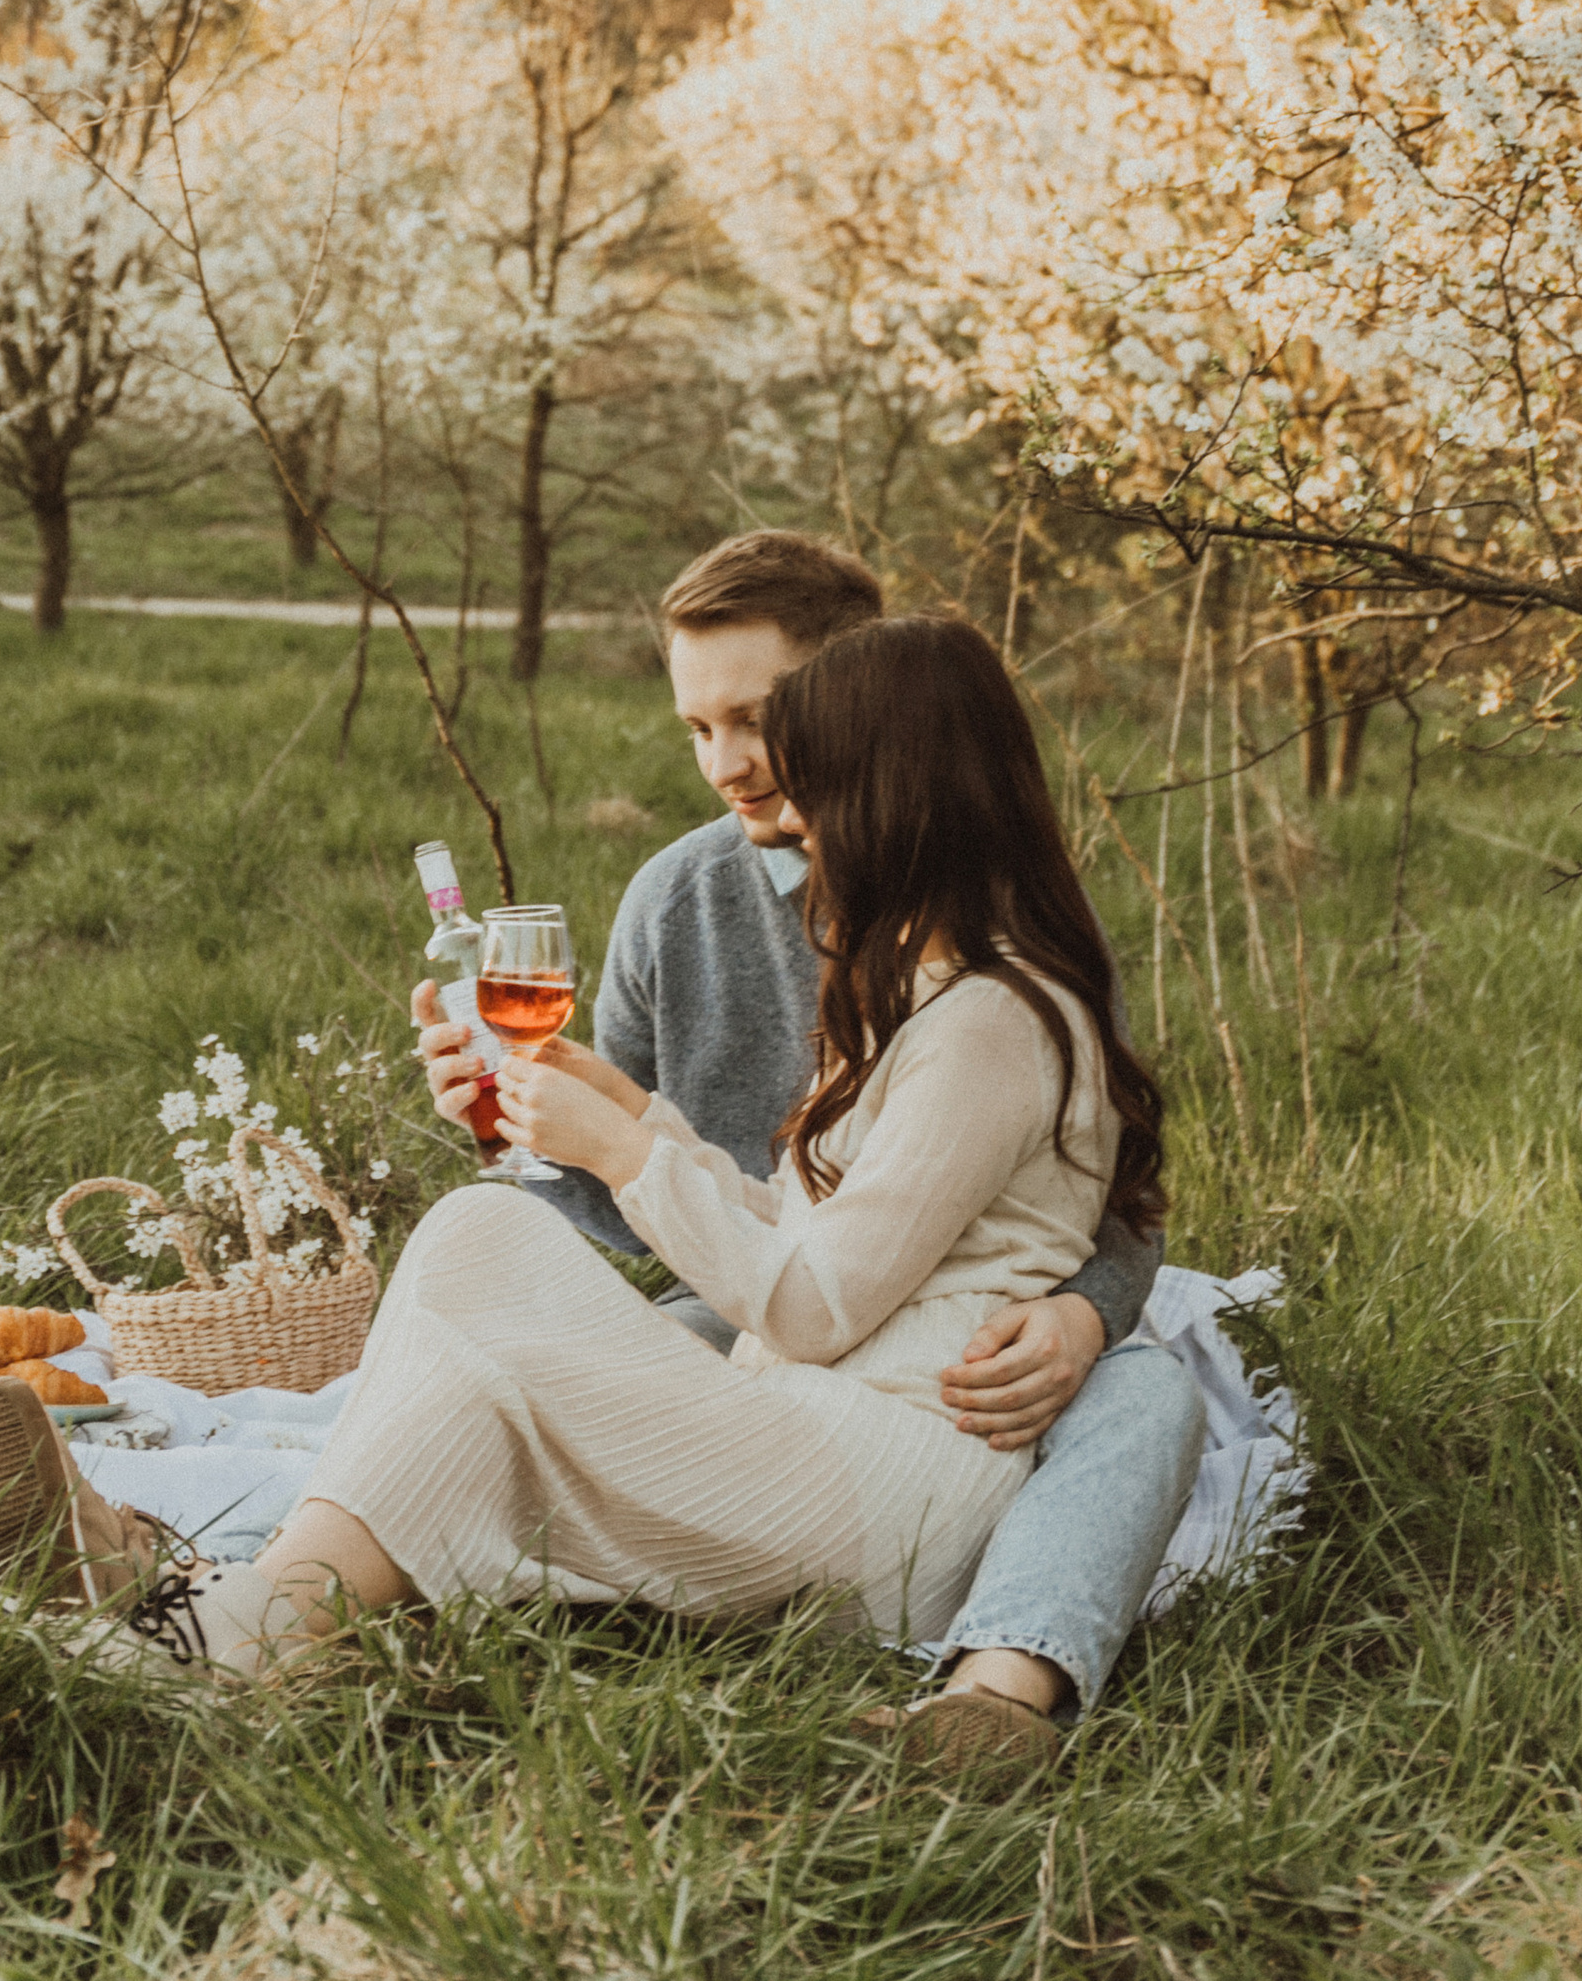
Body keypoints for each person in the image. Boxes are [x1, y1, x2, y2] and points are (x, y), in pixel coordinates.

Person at [0, 615, 1198, 1740]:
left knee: (484, 1285)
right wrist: (633, 1111)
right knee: (477, 1252)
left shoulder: (988, 1019)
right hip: (825, 1432)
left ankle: (219, 1615)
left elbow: (817, 1308)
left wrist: (627, 1153)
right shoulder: (935, 995)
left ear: (901, 796)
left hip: (891, 1489)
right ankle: (239, 1623)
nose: (789, 819)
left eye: (814, 787)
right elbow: (816, 1238)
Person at [418, 533, 1205, 1770]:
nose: (729, 768)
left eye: (755, 719)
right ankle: (300, 1576)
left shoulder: (998, 946)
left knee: (1152, 1391)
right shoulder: (677, 900)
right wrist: (521, 1119)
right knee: (507, 1369)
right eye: (694, 728)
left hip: (951, 1336)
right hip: (745, 1300)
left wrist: (1087, 1319)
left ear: (863, 701)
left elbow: (1104, 1180)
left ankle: (1000, 1691)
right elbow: (630, 1202)